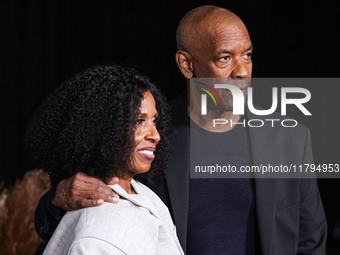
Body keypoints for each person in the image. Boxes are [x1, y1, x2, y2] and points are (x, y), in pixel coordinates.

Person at [34, 6, 327, 255]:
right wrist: (58, 198)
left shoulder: (290, 137)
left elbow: (311, 241)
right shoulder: (146, 135)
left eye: (247, 55)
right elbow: (77, 219)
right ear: (186, 64)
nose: (242, 71)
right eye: (225, 58)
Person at [26, 64, 184, 254]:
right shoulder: (95, 232)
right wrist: (55, 200)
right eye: (139, 120)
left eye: (154, 120)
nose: (156, 135)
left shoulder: (145, 195)